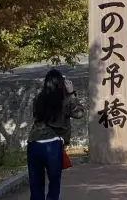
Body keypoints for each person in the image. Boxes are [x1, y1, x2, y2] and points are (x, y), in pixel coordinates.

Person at [26, 69, 85, 199]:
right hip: (52, 146)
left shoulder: (38, 99)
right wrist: (72, 94)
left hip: (34, 144)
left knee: (36, 184)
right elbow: (79, 113)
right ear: (61, 84)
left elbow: (36, 116)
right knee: (54, 182)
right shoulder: (65, 100)